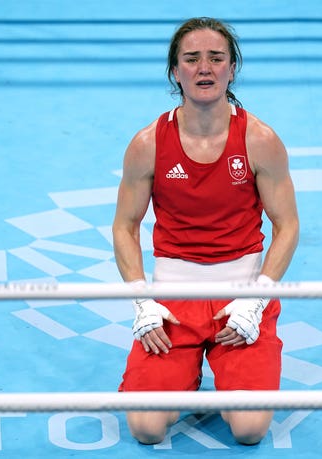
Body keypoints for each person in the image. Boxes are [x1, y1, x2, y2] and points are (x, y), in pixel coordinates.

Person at [112, 17, 299, 445]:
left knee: (249, 430)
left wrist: (256, 299)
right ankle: (186, 373)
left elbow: (287, 225)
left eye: (216, 58)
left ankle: (218, 366)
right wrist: (142, 301)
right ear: (175, 71)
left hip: (243, 296)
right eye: (191, 59)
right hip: (174, 299)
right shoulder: (148, 144)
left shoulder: (259, 139)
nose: (204, 68)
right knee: (146, 428)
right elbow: (124, 226)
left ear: (231, 68)